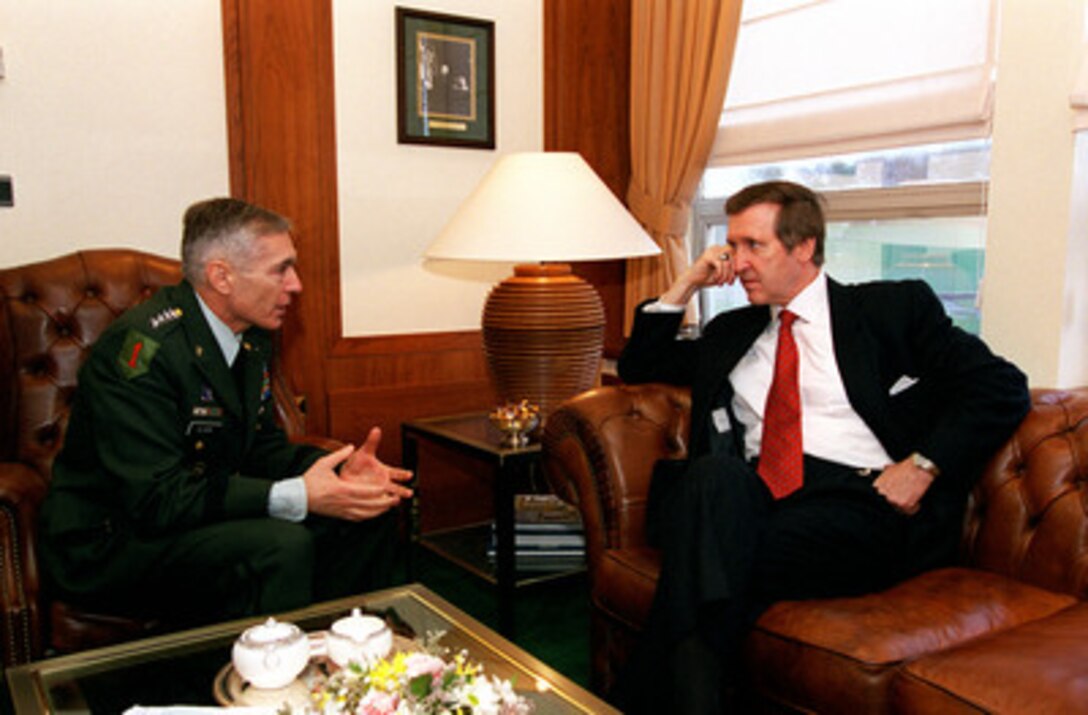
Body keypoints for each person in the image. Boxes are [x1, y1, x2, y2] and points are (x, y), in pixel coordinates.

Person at [614, 181, 1030, 713]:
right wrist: (683, 286)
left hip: (857, 501)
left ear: (804, 246)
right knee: (712, 481)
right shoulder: (732, 331)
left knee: (708, 551)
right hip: (751, 498)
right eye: (731, 246)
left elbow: (1001, 384)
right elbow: (639, 367)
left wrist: (923, 466)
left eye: (753, 246)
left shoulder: (889, 310)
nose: (737, 262)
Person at [39, 198, 414, 626]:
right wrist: (296, 496)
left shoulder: (251, 336)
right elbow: (156, 498)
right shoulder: (142, 350)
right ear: (221, 276)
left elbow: (262, 448)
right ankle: (270, 681)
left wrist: (338, 472)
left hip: (193, 513)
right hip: (113, 540)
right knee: (280, 545)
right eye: (280, 269)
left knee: (366, 511)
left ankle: (342, 655)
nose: (296, 285)